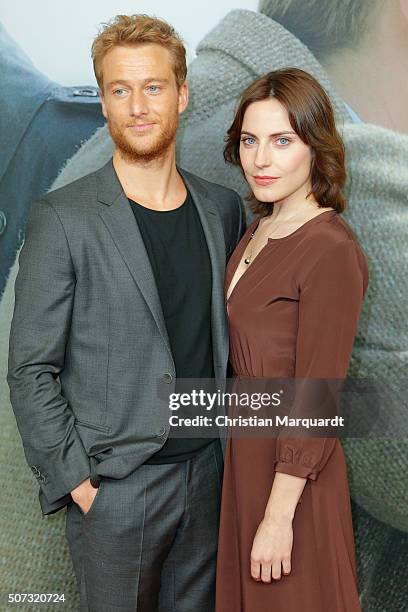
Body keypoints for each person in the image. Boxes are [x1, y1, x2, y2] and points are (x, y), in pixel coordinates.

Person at [7, 14, 244, 612]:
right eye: (120, 89)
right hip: (116, 490)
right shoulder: (64, 217)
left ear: (182, 95)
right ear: (104, 103)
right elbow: (30, 367)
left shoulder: (221, 210)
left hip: (208, 479)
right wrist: (80, 484)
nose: (138, 106)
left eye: (154, 86)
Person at [216, 68, 368, 612]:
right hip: (245, 458)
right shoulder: (257, 231)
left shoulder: (330, 248)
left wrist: (279, 517)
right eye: (251, 141)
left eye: (283, 141)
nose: (262, 160)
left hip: (293, 478)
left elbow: (317, 396)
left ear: (314, 146)